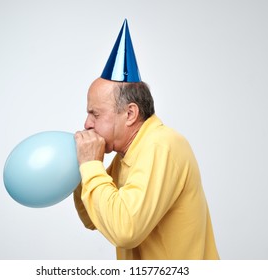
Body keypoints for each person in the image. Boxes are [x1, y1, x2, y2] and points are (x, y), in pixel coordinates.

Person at [73, 20, 219, 260]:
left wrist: (90, 166)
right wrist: (81, 169)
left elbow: (124, 230)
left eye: (95, 114)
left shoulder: (161, 145)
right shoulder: (128, 154)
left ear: (130, 114)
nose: (87, 124)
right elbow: (94, 217)